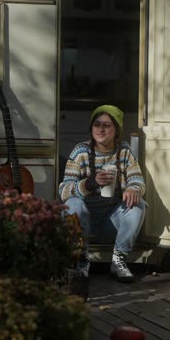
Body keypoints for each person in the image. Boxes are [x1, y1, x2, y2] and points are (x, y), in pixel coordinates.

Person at [59, 105, 147, 282]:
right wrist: (91, 182)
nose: (100, 129)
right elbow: (64, 191)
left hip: (110, 223)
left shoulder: (124, 151)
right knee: (74, 203)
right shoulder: (80, 151)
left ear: (116, 130)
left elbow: (137, 179)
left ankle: (118, 260)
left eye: (107, 125)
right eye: (97, 124)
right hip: (84, 222)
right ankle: (81, 260)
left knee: (139, 204)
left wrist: (132, 188)